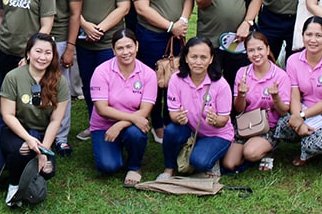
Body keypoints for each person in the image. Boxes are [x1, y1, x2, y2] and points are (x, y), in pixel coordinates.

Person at [129, 0, 193, 144]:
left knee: (177, 77)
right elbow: (141, 7)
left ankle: (172, 117)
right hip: (152, 35)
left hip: (177, 35)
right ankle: (156, 122)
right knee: (154, 80)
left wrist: (183, 20)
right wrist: (169, 26)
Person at [0, 33, 69, 207]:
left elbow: (56, 120)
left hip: (40, 133)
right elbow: (8, 115)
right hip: (11, 128)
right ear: (28, 53)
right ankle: (14, 185)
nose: (42, 57)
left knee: (48, 170)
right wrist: (28, 139)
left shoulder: (60, 81)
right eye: (38, 51)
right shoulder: (13, 76)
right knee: (22, 150)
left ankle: (28, 175)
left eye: (48, 53)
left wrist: (44, 150)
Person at [273, 17, 322, 171]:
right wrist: (298, 120)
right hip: (306, 109)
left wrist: (302, 117)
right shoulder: (293, 61)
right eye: (308, 35)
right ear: (302, 35)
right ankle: (308, 144)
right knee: (283, 126)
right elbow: (295, 94)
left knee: (313, 143)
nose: (313, 40)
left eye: (318, 35)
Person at [74, 0, 131, 141]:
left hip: (109, 41)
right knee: (90, 84)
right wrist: (86, 26)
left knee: (112, 85)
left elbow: (123, 7)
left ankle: (116, 122)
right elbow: (70, 4)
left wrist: (99, 29)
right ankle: (94, 123)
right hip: (83, 38)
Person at [156, 37, 234, 179]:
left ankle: (214, 157)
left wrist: (215, 120)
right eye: (194, 57)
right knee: (171, 130)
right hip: (191, 129)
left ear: (211, 59)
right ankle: (169, 169)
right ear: (185, 58)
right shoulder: (176, 79)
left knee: (199, 162)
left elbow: (223, 120)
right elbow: (173, 113)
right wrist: (178, 118)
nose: (198, 62)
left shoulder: (221, 85)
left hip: (216, 134)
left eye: (203, 57)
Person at [36, 0, 84, 154]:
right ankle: (38, 129)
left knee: (59, 87)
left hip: (62, 36)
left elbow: (76, 14)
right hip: (36, 37)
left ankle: (61, 136)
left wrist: (70, 48)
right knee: (36, 85)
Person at [89, 30, 156, 187]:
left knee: (136, 133)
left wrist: (120, 124)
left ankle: (135, 167)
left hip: (131, 126)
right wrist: (132, 117)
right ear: (113, 50)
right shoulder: (101, 72)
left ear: (137, 46)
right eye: (120, 48)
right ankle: (115, 148)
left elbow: (145, 110)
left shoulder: (148, 74)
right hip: (104, 125)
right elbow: (102, 109)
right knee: (108, 167)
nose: (125, 52)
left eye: (129, 46)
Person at [0, 0, 55, 116]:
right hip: (7, 50)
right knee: (9, 94)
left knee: (31, 97)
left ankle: (35, 131)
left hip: (30, 54)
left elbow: (47, 24)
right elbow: (1, 16)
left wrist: (31, 54)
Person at [222, 31, 290, 172]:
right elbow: (239, 109)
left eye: (260, 49)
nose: (256, 54)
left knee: (250, 152)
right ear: (246, 53)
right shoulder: (242, 73)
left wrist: (276, 97)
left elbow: (284, 111)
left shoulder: (280, 75)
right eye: (251, 50)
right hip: (246, 124)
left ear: (267, 49)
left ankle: (267, 151)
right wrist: (241, 95)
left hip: (268, 127)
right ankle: (251, 149)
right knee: (229, 164)